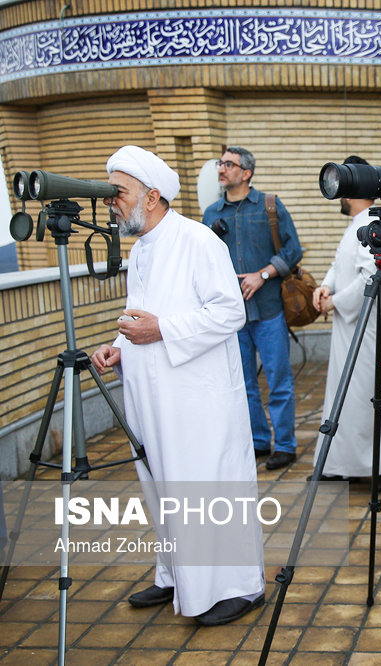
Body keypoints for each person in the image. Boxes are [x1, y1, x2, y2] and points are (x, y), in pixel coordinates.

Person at [91, 145, 265, 625]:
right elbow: (142, 314)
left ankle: (240, 587)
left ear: (151, 196)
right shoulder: (141, 248)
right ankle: (174, 575)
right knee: (163, 488)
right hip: (152, 397)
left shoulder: (198, 239)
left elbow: (230, 312)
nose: (112, 203)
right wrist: (118, 347)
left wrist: (161, 330)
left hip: (198, 402)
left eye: (118, 193)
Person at [202, 146, 302, 470]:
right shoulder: (211, 214)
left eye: (228, 164)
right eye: (221, 163)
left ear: (246, 173)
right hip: (232, 316)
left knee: (279, 381)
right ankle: (258, 441)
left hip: (270, 310)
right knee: (243, 383)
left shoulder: (269, 206)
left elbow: (293, 249)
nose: (221, 169)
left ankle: (285, 445)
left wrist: (263, 274)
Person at [311, 155, 381, 493]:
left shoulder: (372, 223)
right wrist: (325, 285)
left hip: (368, 331)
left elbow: (372, 274)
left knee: (368, 399)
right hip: (349, 329)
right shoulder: (356, 225)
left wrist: (336, 301)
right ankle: (342, 465)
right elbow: (342, 266)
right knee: (345, 399)